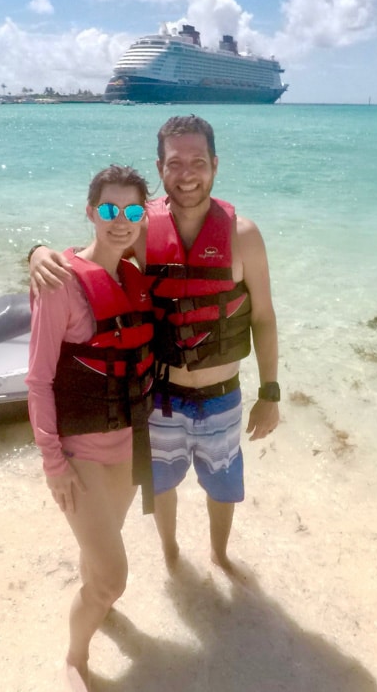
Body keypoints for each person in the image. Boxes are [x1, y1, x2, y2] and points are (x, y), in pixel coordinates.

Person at [29, 115, 280, 573]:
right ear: (160, 168)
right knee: (161, 486)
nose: (187, 174)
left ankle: (220, 556)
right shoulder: (141, 231)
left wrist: (271, 392)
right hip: (161, 398)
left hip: (223, 396)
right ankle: (170, 556)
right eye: (175, 162)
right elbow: (88, 259)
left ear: (215, 165)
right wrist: (37, 252)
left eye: (198, 162)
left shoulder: (245, 236)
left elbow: (263, 317)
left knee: (222, 487)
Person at [26, 164, 155, 690]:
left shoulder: (133, 275)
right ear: (89, 212)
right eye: (108, 209)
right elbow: (37, 381)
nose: (119, 220)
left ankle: (97, 604)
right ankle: (75, 658)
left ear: (144, 216)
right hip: (79, 452)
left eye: (131, 210)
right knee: (112, 578)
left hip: (126, 447)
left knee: (100, 553)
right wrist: (52, 463)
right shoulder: (60, 282)